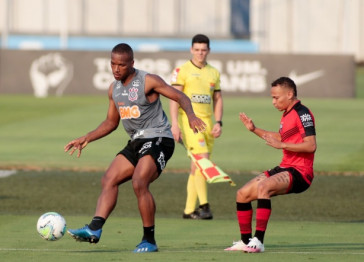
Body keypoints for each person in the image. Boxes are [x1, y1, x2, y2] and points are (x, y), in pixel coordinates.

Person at [64, 43, 206, 253]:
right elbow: (111, 123)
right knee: (108, 179)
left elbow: (180, 96)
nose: (116, 69)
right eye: (113, 64)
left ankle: (149, 240)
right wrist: (87, 138)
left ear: (132, 63)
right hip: (137, 141)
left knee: (140, 182)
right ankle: (95, 229)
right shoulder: (114, 89)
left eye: (121, 65)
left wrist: (192, 116)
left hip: (159, 138)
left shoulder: (148, 81)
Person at [225, 77, 317, 253]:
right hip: (285, 167)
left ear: (289, 94)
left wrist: (283, 146)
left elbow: (311, 145)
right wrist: (254, 129)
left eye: (276, 97)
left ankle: (258, 241)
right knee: (242, 194)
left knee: (264, 187)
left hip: (301, 172)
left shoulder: (302, 113)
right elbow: (282, 138)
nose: (273, 102)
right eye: (272, 98)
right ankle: (246, 242)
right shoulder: (287, 113)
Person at [170, 34, 223, 220]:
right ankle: (205, 206)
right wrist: (175, 124)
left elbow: (217, 98)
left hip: (208, 124)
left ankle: (188, 210)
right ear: (191, 50)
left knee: (196, 167)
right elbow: (175, 99)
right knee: (203, 161)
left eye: (204, 50)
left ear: (208, 50)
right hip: (190, 123)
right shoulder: (182, 70)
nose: (200, 53)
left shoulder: (214, 72)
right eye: (197, 50)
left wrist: (218, 122)